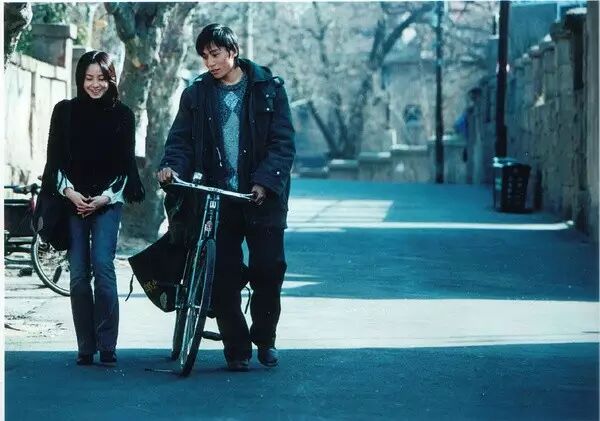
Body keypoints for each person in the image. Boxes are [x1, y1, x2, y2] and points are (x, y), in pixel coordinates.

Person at [157, 23, 295, 372]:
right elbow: (180, 140)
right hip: (218, 197)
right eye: (204, 56)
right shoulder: (197, 94)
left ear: (232, 51)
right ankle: (237, 349)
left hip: (262, 197)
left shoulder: (268, 89)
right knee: (222, 273)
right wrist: (171, 167)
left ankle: (265, 338)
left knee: (269, 269)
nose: (210, 63)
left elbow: (283, 144)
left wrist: (264, 182)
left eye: (215, 54)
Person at [42, 50, 145, 366]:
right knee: (77, 274)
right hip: (72, 201)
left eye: (101, 78)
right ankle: (85, 346)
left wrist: (105, 198)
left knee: (103, 266)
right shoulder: (64, 112)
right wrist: (70, 193)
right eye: (89, 78)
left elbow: (126, 167)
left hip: (107, 201)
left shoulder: (123, 115)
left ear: (111, 79)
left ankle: (107, 344)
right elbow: (54, 161)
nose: (95, 84)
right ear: (80, 79)